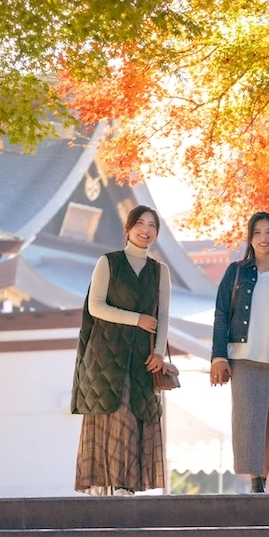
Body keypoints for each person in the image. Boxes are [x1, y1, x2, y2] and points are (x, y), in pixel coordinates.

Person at [72, 205, 170, 495]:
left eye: (152, 225)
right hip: (106, 357)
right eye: (140, 223)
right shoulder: (108, 262)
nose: (146, 230)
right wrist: (136, 319)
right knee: (112, 415)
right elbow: (96, 306)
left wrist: (160, 353)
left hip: (142, 359)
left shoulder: (160, 271)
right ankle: (107, 490)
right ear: (128, 228)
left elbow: (163, 314)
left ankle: (124, 490)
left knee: (135, 415)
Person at [209, 212, 269, 494]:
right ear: (249, 238)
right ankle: (253, 480)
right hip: (242, 357)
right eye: (257, 233)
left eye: (268, 232)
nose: (263, 238)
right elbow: (221, 315)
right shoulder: (236, 272)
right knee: (247, 420)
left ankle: (261, 481)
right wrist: (219, 356)